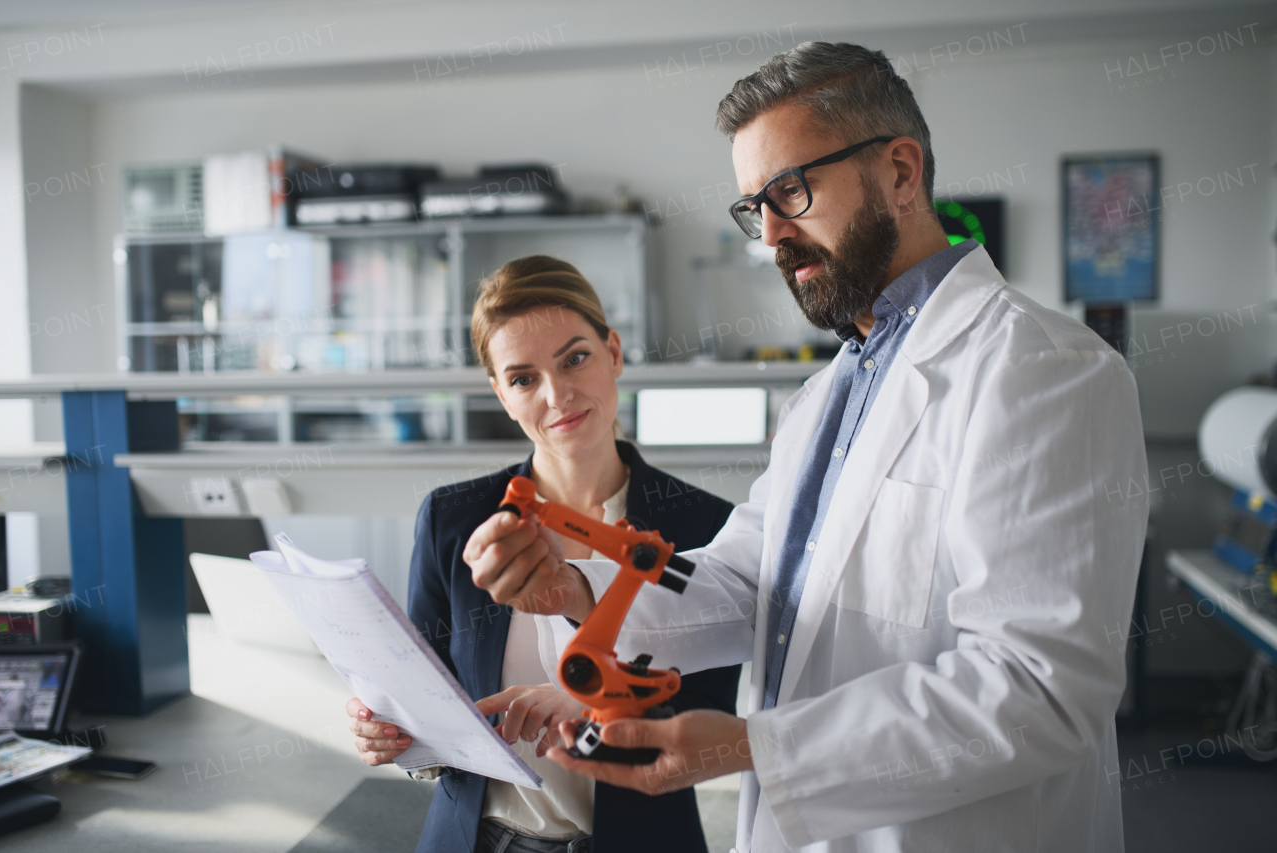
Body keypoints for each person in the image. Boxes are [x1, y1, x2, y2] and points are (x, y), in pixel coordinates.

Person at [464, 42, 1149, 853]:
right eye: (754, 206)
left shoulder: (1042, 369)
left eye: (791, 190)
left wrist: (752, 746)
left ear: (901, 171)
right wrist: (575, 587)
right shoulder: (827, 394)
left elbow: (1041, 690)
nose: (773, 235)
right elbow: (746, 582)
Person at [346, 255, 742, 853]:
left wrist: (600, 705)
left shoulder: (705, 525)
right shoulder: (454, 520)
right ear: (502, 394)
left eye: (575, 358)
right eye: (524, 378)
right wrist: (390, 732)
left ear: (613, 352)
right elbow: (427, 696)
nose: (557, 395)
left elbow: (718, 719)